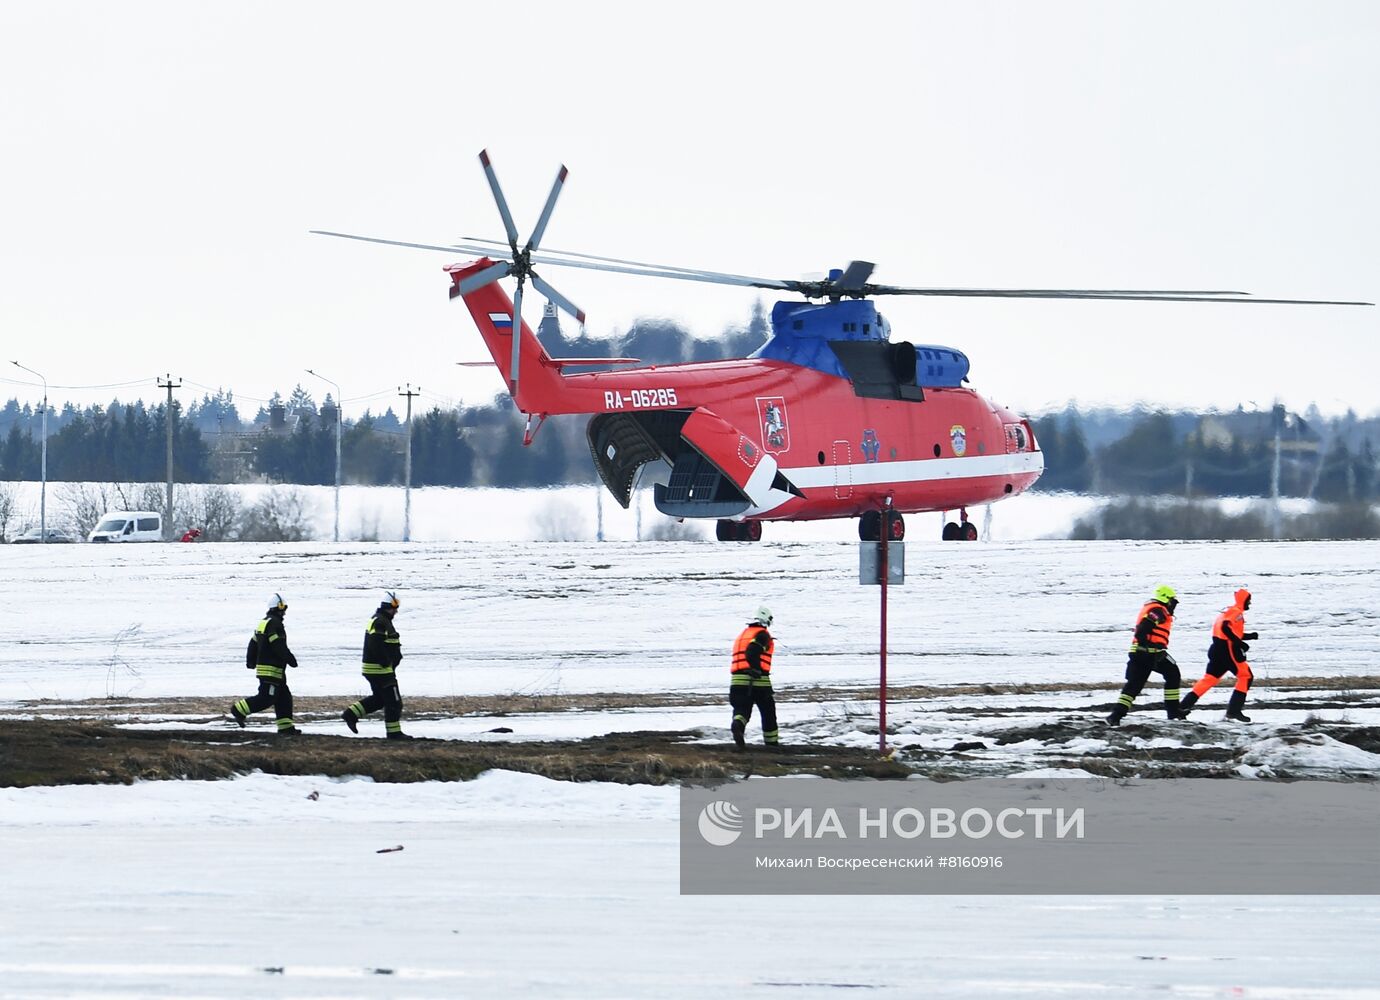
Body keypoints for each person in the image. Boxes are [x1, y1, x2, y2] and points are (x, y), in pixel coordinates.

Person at [1178, 588, 1258, 722]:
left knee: (1209, 679)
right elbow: (1225, 628)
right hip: (1228, 650)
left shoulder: (1227, 611)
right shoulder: (1236, 612)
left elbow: (1228, 631)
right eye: (1249, 601)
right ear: (1244, 601)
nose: (1249, 604)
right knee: (1246, 676)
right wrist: (1240, 644)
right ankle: (1234, 711)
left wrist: (1250, 636)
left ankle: (1182, 708)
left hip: (1217, 649)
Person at [1107, 585, 1182, 726]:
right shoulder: (1158, 611)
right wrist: (1146, 647)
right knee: (1135, 685)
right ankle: (1116, 715)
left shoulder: (1157, 609)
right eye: (1172, 601)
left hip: (1154, 652)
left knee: (1172, 674)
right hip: (1146, 653)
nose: (1173, 605)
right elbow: (1142, 629)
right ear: (1166, 599)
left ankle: (1174, 713)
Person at [342, 591, 410, 740]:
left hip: (380, 669)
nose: (396, 611)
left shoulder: (382, 620)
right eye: (394, 608)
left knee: (380, 699)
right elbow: (376, 645)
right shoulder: (380, 621)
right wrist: (386, 662)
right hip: (380, 670)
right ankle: (394, 733)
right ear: (388, 607)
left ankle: (351, 714)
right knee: (394, 701)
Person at [231, 593, 300, 734]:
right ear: (277, 608)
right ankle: (238, 710)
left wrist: (250, 660)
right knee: (267, 698)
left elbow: (253, 643)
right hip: (272, 670)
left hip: (270, 669)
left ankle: (285, 727)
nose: (285, 612)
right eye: (283, 608)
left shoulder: (264, 622)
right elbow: (278, 644)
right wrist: (290, 658)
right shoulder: (275, 624)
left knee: (284, 697)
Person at [730, 606, 779, 748]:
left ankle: (737, 725)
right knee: (768, 712)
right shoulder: (763, 635)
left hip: (737, 681)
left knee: (742, 710)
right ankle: (771, 745)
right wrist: (756, 669)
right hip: (758, 682)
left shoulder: (743, 634)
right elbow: (752, 652)